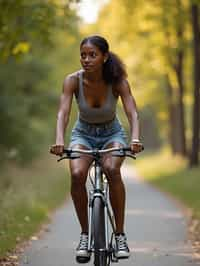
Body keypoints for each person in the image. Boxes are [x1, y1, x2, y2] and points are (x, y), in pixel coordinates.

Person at [50, 35, 143, 262]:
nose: (87, 59)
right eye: (83, 55)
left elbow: (132, 112)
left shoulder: (118, 81)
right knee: (77, 174)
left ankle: (120, 235)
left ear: (104, 57)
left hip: (113, 134)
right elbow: (63, 112)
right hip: (83, 134)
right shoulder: (72, 81)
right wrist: (60, 140)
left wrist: (135, 138)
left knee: (112, 170)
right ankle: (84, 234)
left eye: (93, 55)